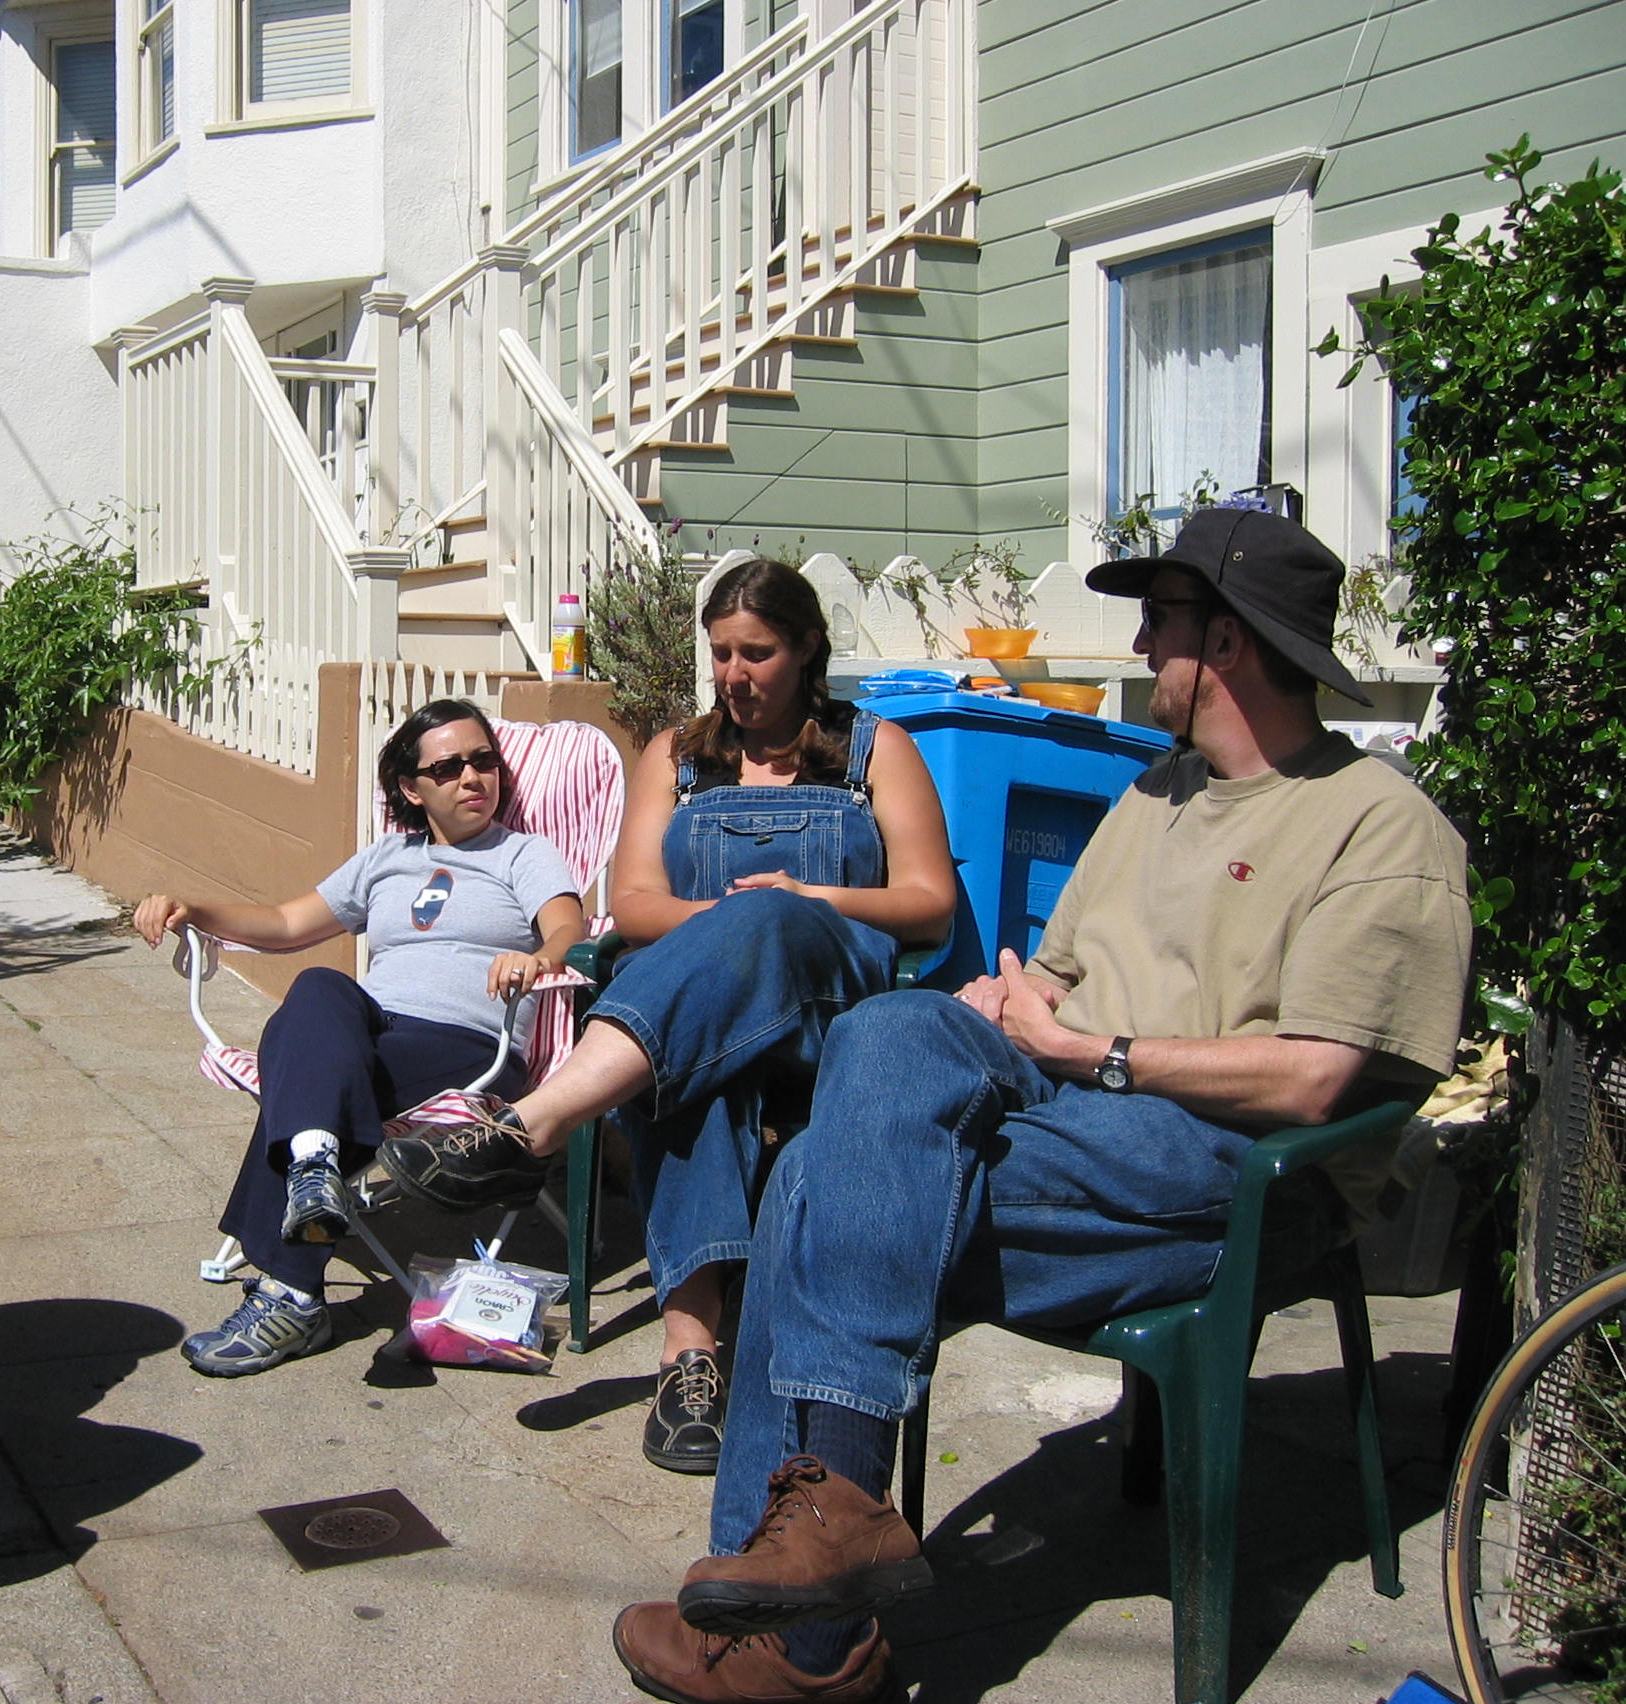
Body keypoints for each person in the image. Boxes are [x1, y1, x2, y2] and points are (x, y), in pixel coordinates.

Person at [605, 509, 1474, 1704]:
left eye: (1159, 619)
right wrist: (1002, 1002)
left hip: (1228, 1164)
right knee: (882, 1040)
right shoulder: (1160, 792)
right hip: (1068, 1107)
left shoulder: (1379, 824)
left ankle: (807, 1639)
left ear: (1224, 642)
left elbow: (1317, 1077)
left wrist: (1094, 1049)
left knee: (812, 1186)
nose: (1139, 637)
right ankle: (810, 1562)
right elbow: (1055, 973)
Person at [379, 559, 954, 1473]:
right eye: (721, 653)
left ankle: (534, 1121)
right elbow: (635, 903)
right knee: (697, 1060)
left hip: (831, 1012)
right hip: (703, 1017)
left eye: (757, 653)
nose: (734, 675)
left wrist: (807, 903)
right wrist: (730, 924)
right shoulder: (675, 757)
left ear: (807, 648)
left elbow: (931, 903)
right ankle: (689, 1364)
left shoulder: (878, 750)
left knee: (755, 932)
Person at [133, 698, 587, 1377]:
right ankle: (314, 1165)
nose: (474, 777)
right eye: (450, 766)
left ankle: (292, 1293)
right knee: (317, 988)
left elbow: (568, 929)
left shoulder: (524, 853)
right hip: (370, 1032)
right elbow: (288, 923)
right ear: (412, 788)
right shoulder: (387, 858)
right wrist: (192, 907)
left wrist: (538, 960)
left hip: (470, 1050)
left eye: (484, 760)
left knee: (305, 1075)